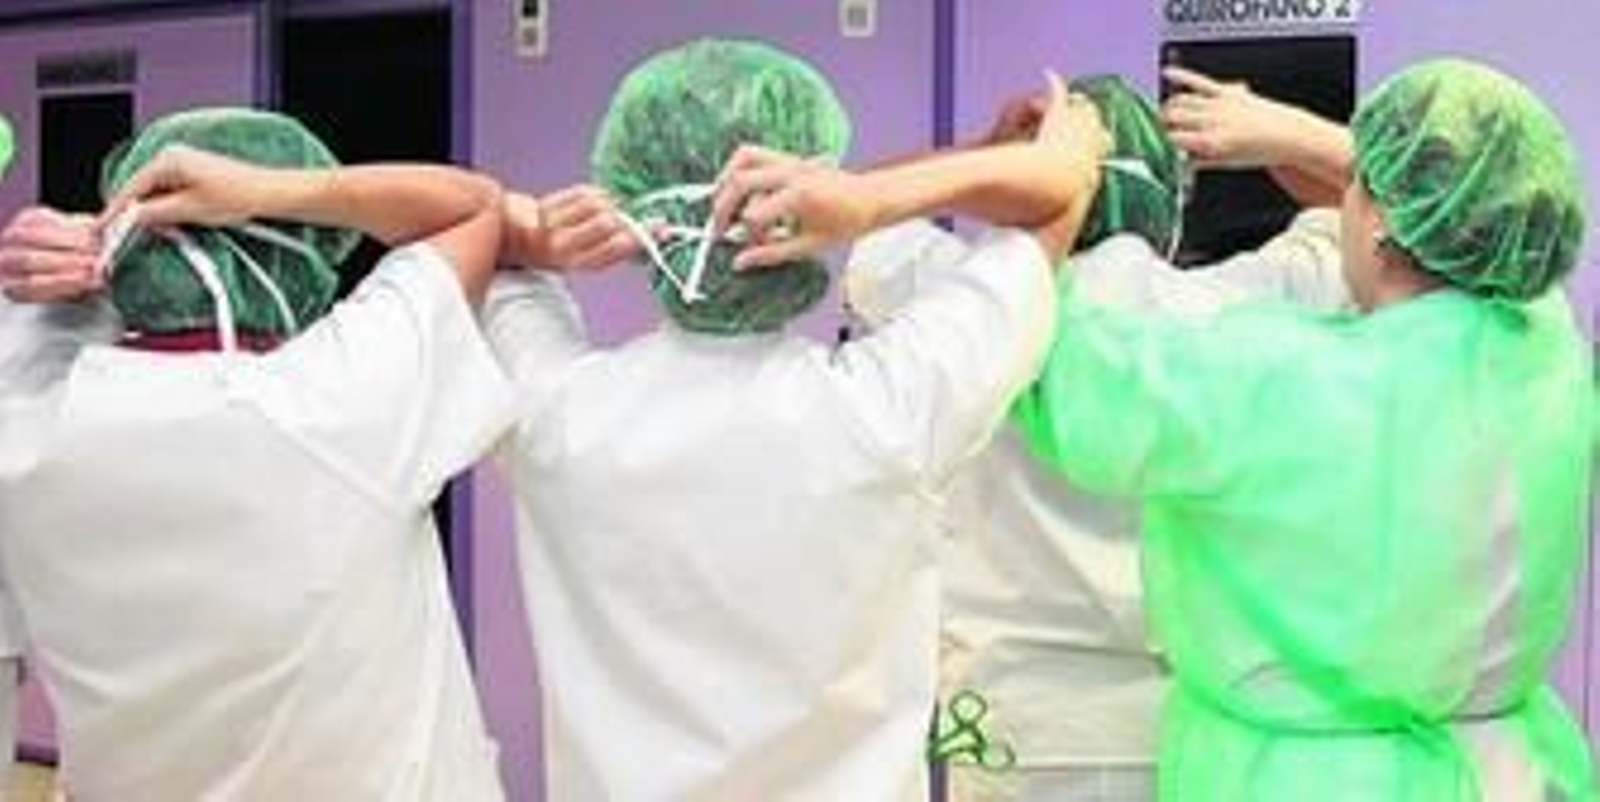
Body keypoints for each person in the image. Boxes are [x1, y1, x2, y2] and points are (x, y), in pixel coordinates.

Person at [482, 38, 1109, 799]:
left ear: (637, 209)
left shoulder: (559, 418)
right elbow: (1057, 200)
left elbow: (480, 243)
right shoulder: (889, 408)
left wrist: (538, 235)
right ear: (813, 218)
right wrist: (913, 185)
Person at [1006, 59, 1593, 799]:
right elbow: (1494, 231)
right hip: (1508, 773)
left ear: (1377, 221)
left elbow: (1054, 365)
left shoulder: (1275, 382)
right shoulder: (1547, 358)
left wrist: (1063, 193)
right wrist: (1307, 140)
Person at [842, 72, 1354, 801]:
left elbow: (859, 209)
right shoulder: (1238, 306)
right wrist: (1294, 138)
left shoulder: (961, 305)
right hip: (1187, 729)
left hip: (1013, 727)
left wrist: (988, 153)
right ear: (1169, 202)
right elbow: (1410, 229)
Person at [0, 108, 513, 799]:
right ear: (297, 255)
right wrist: (271, 190)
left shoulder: (29, 423)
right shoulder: (340, 400)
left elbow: (31, 321)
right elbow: (473, 207)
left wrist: (74, 260)